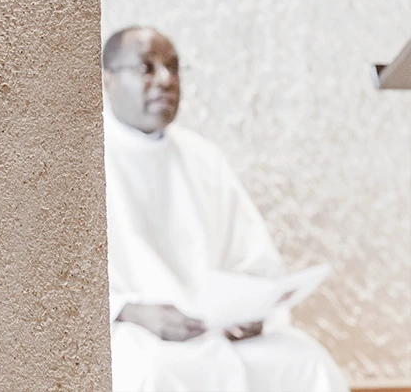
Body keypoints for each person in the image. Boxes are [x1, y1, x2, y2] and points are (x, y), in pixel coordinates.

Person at [102, 26, 348, 392]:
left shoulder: (203, 158)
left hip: (219, 330)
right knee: (154, 374)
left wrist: (251, 311)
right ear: (107, 80)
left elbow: (254, 262)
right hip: (136, 331)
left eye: (173, 67)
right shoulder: (86, 161)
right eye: (146, 68)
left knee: (308, 363)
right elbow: (62, 286)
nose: (166, 80)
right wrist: (133, 312)